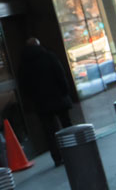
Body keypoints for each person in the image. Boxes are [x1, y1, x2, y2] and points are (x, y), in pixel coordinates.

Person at [18, 37, 73, 166]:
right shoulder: (49, 57)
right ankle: (73, 150)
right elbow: (60, 75)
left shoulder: (24, 65)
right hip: (58, 98)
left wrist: (33, 101)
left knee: (50, 132)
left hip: (41, 103)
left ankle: (57, 158)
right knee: (67, 126)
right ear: (38, 45)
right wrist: (65, 92)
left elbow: (24, 87)